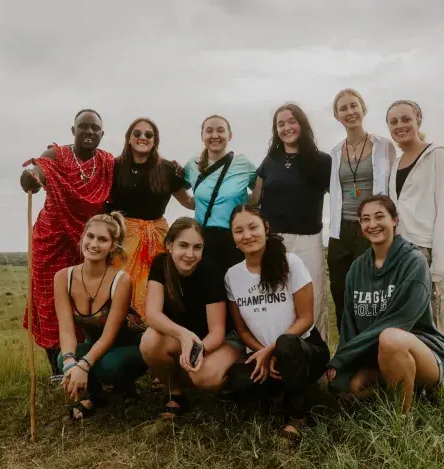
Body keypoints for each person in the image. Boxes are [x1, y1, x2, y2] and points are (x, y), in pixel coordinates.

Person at [326, 195, 444, 414]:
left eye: (379, 217)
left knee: (390, 337)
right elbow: (349, 324)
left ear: (394, 220)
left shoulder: (413, 261)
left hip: (421, 351)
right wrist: (341, 362)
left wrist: (343, 357)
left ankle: (400, 422)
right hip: (375, 357)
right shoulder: (357, 269)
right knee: (349, 389)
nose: (372, 224)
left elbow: (400, 320)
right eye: (365, 219)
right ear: (361, 226)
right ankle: (404, 391)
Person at [20, 109, 115, 376]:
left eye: (95, 128)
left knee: (89, 301)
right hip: (52, 240)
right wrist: (31, 179)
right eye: (83, 127)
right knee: (50, 302)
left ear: (102, 134)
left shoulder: (107, 162)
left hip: (89, 243)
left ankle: (88, 363)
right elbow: (35, 174)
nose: (89, 132)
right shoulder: (56, 155)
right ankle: (57, 368)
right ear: (73, 131)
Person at [225, 205, 330, 442]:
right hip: (262, 353)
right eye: (239, 231)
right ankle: (280, 391)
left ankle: (297, 415)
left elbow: (306, 319)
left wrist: (272, 350)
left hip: (302, 350)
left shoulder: (290, 263)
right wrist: (263, 353)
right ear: (233, 238)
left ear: (266, 228)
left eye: (253, 227)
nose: (247, 235)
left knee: (286, 344)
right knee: (237, 378)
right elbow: (241, 329)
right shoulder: (232, 275)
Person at [139, 218, 243, 420]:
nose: (190, 254)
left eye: (197, 247)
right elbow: (152, 314)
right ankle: (174, 392)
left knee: (206, 377)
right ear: (169, 245)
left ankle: (235, 379)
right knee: (149, 341)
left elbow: (217, 331)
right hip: (186, 336)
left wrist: (197, 350)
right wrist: (184, 335)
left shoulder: (210, 271)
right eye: (183, 245)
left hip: (216, 340)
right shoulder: (161, 264)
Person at [250, 103, 331, 344]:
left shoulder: (321, 160)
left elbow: (337, 197)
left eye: (291, 121)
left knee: (313, 298)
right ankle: (278, 355)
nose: (287, 127)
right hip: (274, 241)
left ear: (302, 124)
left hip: (308, 239)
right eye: (280, 124)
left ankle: (317, 358)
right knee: (277, 300)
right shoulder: (270, 161)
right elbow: (254, 200)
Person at [55, 212, 147, 420]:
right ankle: (98, 394)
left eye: (102, 239)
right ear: (83, 237)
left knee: (108, 365)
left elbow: (109, 335)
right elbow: (67, 329)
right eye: (90, 236)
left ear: (113, 246)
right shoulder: (62, 277)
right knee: (63, 357)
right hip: (98, 347)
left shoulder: (121, 280)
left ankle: (126, 386)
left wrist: (84, 364)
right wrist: (71, 364)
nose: (94, 244)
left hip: (130, 347)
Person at [105, 117, 194, 318]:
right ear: (128, 138)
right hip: (124, 238)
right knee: (121, 285)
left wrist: (226, 198)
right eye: (137, 133)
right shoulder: (113, 166)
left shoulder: (169, 168)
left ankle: (154, 330)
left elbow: (188, 202)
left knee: (157, 283)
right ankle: (122, 334)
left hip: (158, 238)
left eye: (149, 134)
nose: (142, 137)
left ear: (155, 140)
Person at [327, 89, 397, 332]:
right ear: (337, 116)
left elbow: (394, 186)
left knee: (370, 295)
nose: (350, 112)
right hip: (340, 230)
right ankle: (345, 354)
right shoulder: (335, 153)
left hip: (371, 229)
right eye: (343, 108)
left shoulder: (384, 146)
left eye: (353, 106)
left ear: (363, 109)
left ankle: (372, 353)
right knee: (341, 292)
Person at [386, 100, 444, 333]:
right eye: (393, 121)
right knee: (404, 323)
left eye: (406, 119)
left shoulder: (437, 156)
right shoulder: (395, 164)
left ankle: (437, 367)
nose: (400, 125)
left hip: (424, 250)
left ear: (418, 120)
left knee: (431, 322)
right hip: (397, 251)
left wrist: (438, 267)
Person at [181, 115, 257, 276]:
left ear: (230, 135)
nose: (215, 135)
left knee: (236, 292)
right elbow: (176, 186)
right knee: (207, 293)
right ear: (202, 136)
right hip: (203, 239)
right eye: (209, 131)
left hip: (236, 239)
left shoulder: (243, 164)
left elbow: (260, 191)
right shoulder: (193, 164)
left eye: (220, 130)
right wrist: (189, 202)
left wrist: (243, 204)